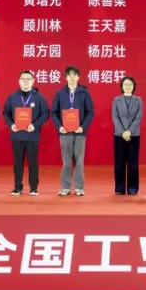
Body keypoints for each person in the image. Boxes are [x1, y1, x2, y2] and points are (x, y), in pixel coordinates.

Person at [51, 66, 95, 197]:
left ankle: (79, 187)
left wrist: (83, 127)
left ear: (78, 77)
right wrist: (59, 126)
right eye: (69, 75)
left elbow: (90, 112)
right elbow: (53, 112)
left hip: (80, 132)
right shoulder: (60, 93)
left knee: (79, 160)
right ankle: (65, 187)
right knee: (66, 160)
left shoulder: (85, 93)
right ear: (65, 77)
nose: (72, 77)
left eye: (74, 75)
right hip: (65, 132)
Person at [3, 70, 48, 196]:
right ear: (19, 81)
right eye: (23, 79)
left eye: (28, 79)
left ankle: (33, 187)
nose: (26, 82)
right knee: (17, 163)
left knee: (33, 163)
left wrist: (35, 125)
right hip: (17, 135)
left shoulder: (39, 97)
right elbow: (6, 113)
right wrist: (11, 125)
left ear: (33, 81)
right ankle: (17, 187)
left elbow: (45, 113)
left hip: (32, 135)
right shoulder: (12, 97)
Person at [111, 76, 143, 196]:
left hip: (134, 135)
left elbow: (138, 117)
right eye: (125, 84)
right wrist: (123, 132)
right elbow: (115, 117)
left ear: (133, 86)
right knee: (119, 163)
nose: (128, 86)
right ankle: (119, 188)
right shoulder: (116, 100)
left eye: (130, 84)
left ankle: (132, 188)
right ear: (122, 86)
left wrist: (129, 131)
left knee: (133, 163)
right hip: (119, 135)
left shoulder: (138, 100)